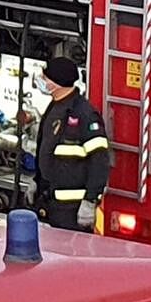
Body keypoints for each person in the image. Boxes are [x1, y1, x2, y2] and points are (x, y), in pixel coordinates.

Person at [33, 55, 111, 233]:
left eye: (45, 78)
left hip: (72, 210)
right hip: (51, 202)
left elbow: (99, 161)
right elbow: (47, 149)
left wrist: (90, 202)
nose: (41, 80)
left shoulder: (84, 114)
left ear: (56, 82)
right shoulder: (55, 107)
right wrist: (36, 181)